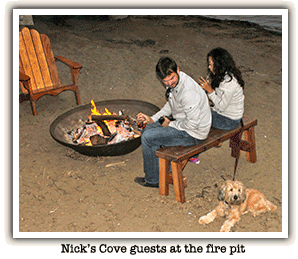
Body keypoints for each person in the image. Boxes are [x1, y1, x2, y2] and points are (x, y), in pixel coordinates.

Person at [134, 57, 211, 188]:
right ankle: (161, 170)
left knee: (148, 137)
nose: (170, 83)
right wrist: (152, 119)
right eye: (166, 81)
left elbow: (193, 124)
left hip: (194, 134)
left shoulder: (188, 93)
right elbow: (170, 105)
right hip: (183, 123)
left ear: (177, 70)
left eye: (172, 78)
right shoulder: (176, 83)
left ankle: (153, 180)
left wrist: (169, 125)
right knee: (146, 128)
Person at [199, 47, 245, 132]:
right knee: (198, 110)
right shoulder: (224, 74)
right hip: (223, 113)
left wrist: (210, 91)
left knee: (195, 116)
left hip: (229, 120)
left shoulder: (229, 83)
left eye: (211, 64)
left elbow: (221, 107)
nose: (209, 67)